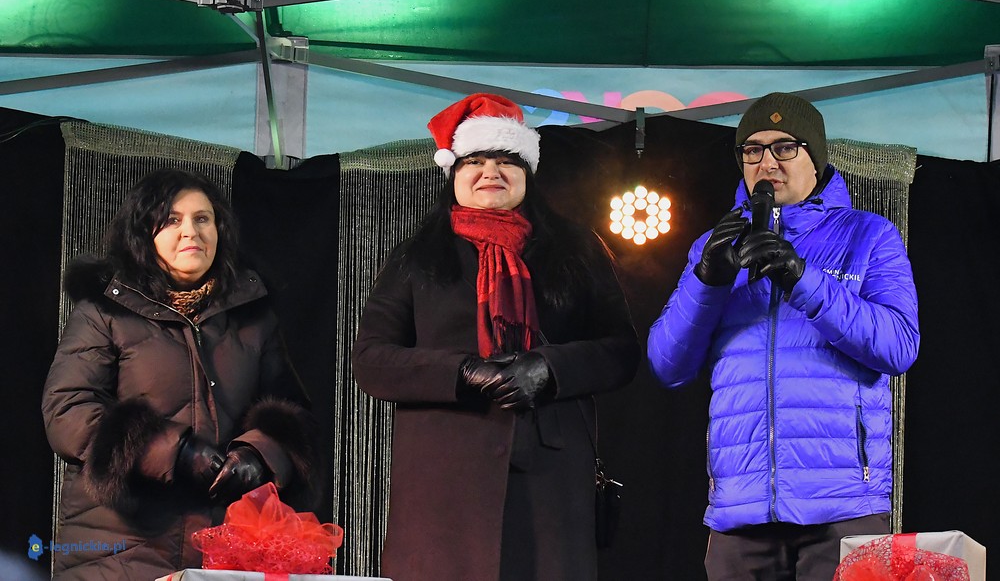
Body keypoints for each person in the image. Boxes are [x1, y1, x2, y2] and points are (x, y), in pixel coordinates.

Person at [351, 93, 640, 581]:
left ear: (527, 173)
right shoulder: (417, 256)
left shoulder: (576, 249)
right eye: (475, 161)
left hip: (550, 480)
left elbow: (621, 350)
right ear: (453, 173)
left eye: (506, 160)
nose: (491, 171)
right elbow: (371, 359)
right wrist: (463, 372)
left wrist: (548, 368)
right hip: (444, 483)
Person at [647, 92, 920, 581]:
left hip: (843, 507)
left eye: (785, 147)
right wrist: (706, 281)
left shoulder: (869, 235)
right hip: (740, 511)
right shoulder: (712, 246)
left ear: (816, 158)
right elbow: (668, 366)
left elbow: (898, 346)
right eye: (752, 150)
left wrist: (802, 279)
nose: (767, 162)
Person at [42, 168, 318, 580]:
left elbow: (291, 412)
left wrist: (259, 455)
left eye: (203, 218)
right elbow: (67, 409)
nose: (191, 231)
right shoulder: (103, 311)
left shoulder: (255, 318)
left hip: (223, 549)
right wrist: (175, 451)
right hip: (119, 550)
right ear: (143, 233)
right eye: (172, 220)